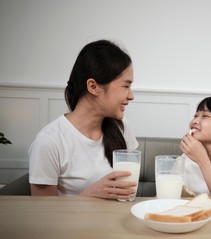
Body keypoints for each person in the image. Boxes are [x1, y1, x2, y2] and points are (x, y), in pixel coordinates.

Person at [29, 39, 138, 200]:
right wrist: (89, 194)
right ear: (93, 86)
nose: (131, 96)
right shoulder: (49, 142)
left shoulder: (122, 128)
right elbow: (42, 215)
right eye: (125, 86)